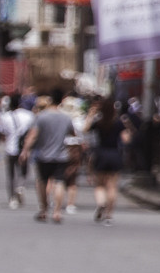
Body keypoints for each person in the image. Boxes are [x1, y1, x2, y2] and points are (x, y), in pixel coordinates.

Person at [22, 93, 75, 224]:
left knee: (42, 182)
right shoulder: (66, 118)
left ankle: (44, 210)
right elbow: (73, 133)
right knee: (59, 182)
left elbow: (33, 135)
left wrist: (25, 150)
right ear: (61, 102)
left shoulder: (41, 117)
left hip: (43, 155)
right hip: (61, 156)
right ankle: (57, 212)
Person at [85, 96, 128, 224]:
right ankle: (109, 214)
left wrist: (91, 114)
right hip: (115, 154)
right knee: (112, 186)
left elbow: (85, 129)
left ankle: (101, 203)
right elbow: (126, 139)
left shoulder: (98, 122)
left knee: (99, 185)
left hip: (100, 153)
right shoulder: (118, 123)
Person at [0, 94, 34, 208]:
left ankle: (12, 199)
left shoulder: (5, 116)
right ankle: (20, 187)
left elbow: (2, 134)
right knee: (23, 171)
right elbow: (32, 132)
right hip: (24, 148)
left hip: (10, 148)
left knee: (11, 174)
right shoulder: (29, 115)